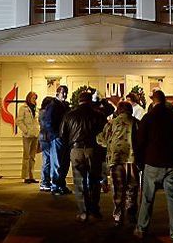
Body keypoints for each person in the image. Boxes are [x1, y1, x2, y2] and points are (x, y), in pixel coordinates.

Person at [134, 89, 173, 243]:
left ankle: (142, 228)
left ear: (153, 101)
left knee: (147, 198)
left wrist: (139, 161)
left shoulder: (148, 118)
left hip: (152, 162)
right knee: (172, 197)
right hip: (171, 162)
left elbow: (140, 142)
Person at [61, 91, 107, 222]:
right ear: (90, 101)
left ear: (79, 100)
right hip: (94, 149)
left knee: (79, 182)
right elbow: (105, 133)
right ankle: (94, 210)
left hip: (76, 149)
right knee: (94, 181)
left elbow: (62, 134)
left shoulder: (69, 115)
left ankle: (83, 212)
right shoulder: (98, 115)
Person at [96, 100, 140, 224]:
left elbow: (102, 140)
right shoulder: (136, 123)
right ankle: (131, 212)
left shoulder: (111, 124)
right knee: (132, 186)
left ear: (118, 110)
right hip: (132, 159)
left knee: (118, 187)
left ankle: (118, 214)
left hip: (116, 160)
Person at [49, 85, 72, 195]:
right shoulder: (53, 106)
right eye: (63, 92)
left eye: (66, 92)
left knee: (64, 163)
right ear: (58, 92)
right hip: (58, 138)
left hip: (65, 138)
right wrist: (55, 135)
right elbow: (48, 122)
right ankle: (55, 186)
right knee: (57, 163)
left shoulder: (64, 106)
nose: (65, 95)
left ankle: (61, 185)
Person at [17, 91, 40, 184]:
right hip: (27, 135)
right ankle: (26, 176)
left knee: (33, 156)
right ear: (29, 98)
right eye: (33, 98)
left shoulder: (36, 109)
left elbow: (37, 121)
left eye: (35, 98)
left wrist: (38, 130)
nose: (34, 100)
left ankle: (32, 176)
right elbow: (19, 121)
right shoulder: (23, 108)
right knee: (26, 156)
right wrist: (25, 130)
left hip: (35, 135)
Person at [37, 96, 56, 192]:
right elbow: (47, 125)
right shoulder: (45, 113)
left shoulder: (41, 112)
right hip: (47, 137)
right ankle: (45, 182)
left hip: (43, 137)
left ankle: (45, 182)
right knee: (48, 160)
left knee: (46, 160)